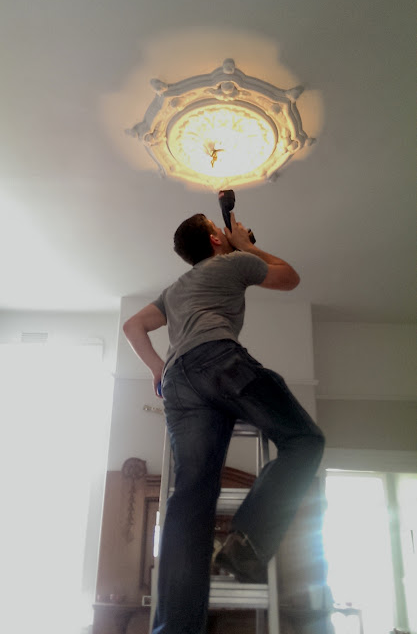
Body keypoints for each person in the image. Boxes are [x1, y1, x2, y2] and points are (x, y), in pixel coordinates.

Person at [123, 210, 325, 634]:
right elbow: (289, 278)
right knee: (304, 440)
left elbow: (134, 325)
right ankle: (246, 543)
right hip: (218, 359)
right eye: (219, 230)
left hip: (179, 382)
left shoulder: (175, 290)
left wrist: (158, 369)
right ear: (216, 241)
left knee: (191, 498)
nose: (225, 234)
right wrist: (248, 245)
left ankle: (174, 629)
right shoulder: (233, 262)